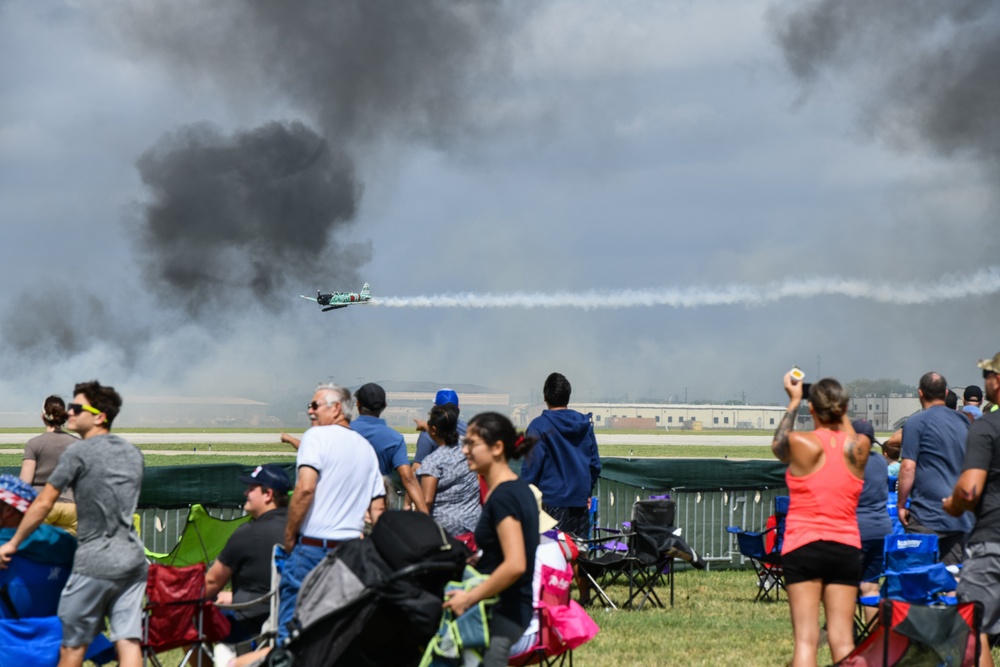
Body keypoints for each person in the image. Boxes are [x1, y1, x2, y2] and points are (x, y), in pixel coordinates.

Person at [0, 380, 145, 667]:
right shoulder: (132, 452)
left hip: (96, 559)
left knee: (71, 644)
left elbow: (42, 502)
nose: (69, 412)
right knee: (128, 641)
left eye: (77, 408)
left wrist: (12, 544)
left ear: (100, 417)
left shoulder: (79, 452)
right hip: (132, 557)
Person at [771, 374, 869, 667]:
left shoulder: (801, 443)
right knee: (843, 640)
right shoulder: (859, 448)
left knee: (806, 640)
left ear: (811, 409)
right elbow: (849, 437)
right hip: (845, 546)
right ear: (843, 409)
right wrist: (840, 410)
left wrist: (793, 400)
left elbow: (778, 446)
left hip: (803, 545)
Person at [278, 383, 386, 646]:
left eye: (315, 405)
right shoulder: (365, 448)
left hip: (313, 548)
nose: (309, 411)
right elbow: (379, 509)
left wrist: (290, 536)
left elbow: (305, 489)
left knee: (292, 631)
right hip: (352, 553)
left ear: (336, 408)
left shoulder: (315, 437)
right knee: (340, 633)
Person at [443, 412, 539, 667]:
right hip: (507, 609)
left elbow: (516, 563)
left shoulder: (504, 496)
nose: (465, 450)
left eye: (472, 443)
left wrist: (468, 597)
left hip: (502, 613)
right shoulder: (516, 489)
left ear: (497, 448)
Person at [943, 353, 1000, 667]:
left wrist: (954, 504)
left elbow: (969, 490)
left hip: (992, 539)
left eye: (988, 374)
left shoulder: (986, 426)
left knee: (971, 627)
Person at [206, 464, 290, 646]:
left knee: (190, 621)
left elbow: (211, 583)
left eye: (251, 488)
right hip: (288, 622)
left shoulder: (248, 533)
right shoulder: (300, 528)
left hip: (250, 626)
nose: (245, 493)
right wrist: (233, 596)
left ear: (268, 495)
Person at [897, 372, 972, 566]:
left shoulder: (915, 423)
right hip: (958, 514)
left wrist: (901, 505)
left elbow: (907, 467)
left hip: (926, 515)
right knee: (953, 578)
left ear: (920, 394)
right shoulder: (963, 421)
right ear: (946, 393)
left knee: (915, 576)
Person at [521, 373, 601, 538]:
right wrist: (586, 492)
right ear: (568, 396)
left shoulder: (539, 426)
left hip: (551, 505)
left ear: (545, 396)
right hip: (579, 504)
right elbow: (594, 465)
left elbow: (531, 468)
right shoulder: (584, 424)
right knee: (579, 553)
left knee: (554, 556)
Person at [350, 383, 428, 513]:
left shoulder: (343, 431)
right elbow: (408, 478)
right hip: (379, 506)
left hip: (347, 505)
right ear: (384, 405)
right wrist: (425, 516)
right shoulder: (394, 438)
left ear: (358, 404)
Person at [416, 405, 481, 537]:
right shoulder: (468, 449)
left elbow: (427, 501)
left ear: (433, 430)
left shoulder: (433, 461)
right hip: (474, 524)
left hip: (447, 531)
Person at [19, 395, 78, 535]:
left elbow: (24, 483)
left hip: (42, 506)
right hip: (72, 507)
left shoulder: (34, 444)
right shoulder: (77, 444)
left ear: (43, 416)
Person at [852, 419, 891, 621]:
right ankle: (873, 638)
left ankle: (844, 632)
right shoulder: (880, 462)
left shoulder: (851, 461)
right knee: (871, 586)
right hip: (881, 528)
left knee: (845, 586)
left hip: (858, 529)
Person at [413, 388, 467, 471]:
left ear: (435, 408)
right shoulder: (468, 429)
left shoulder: (427, 434)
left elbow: (417, 467)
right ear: (458, 408)